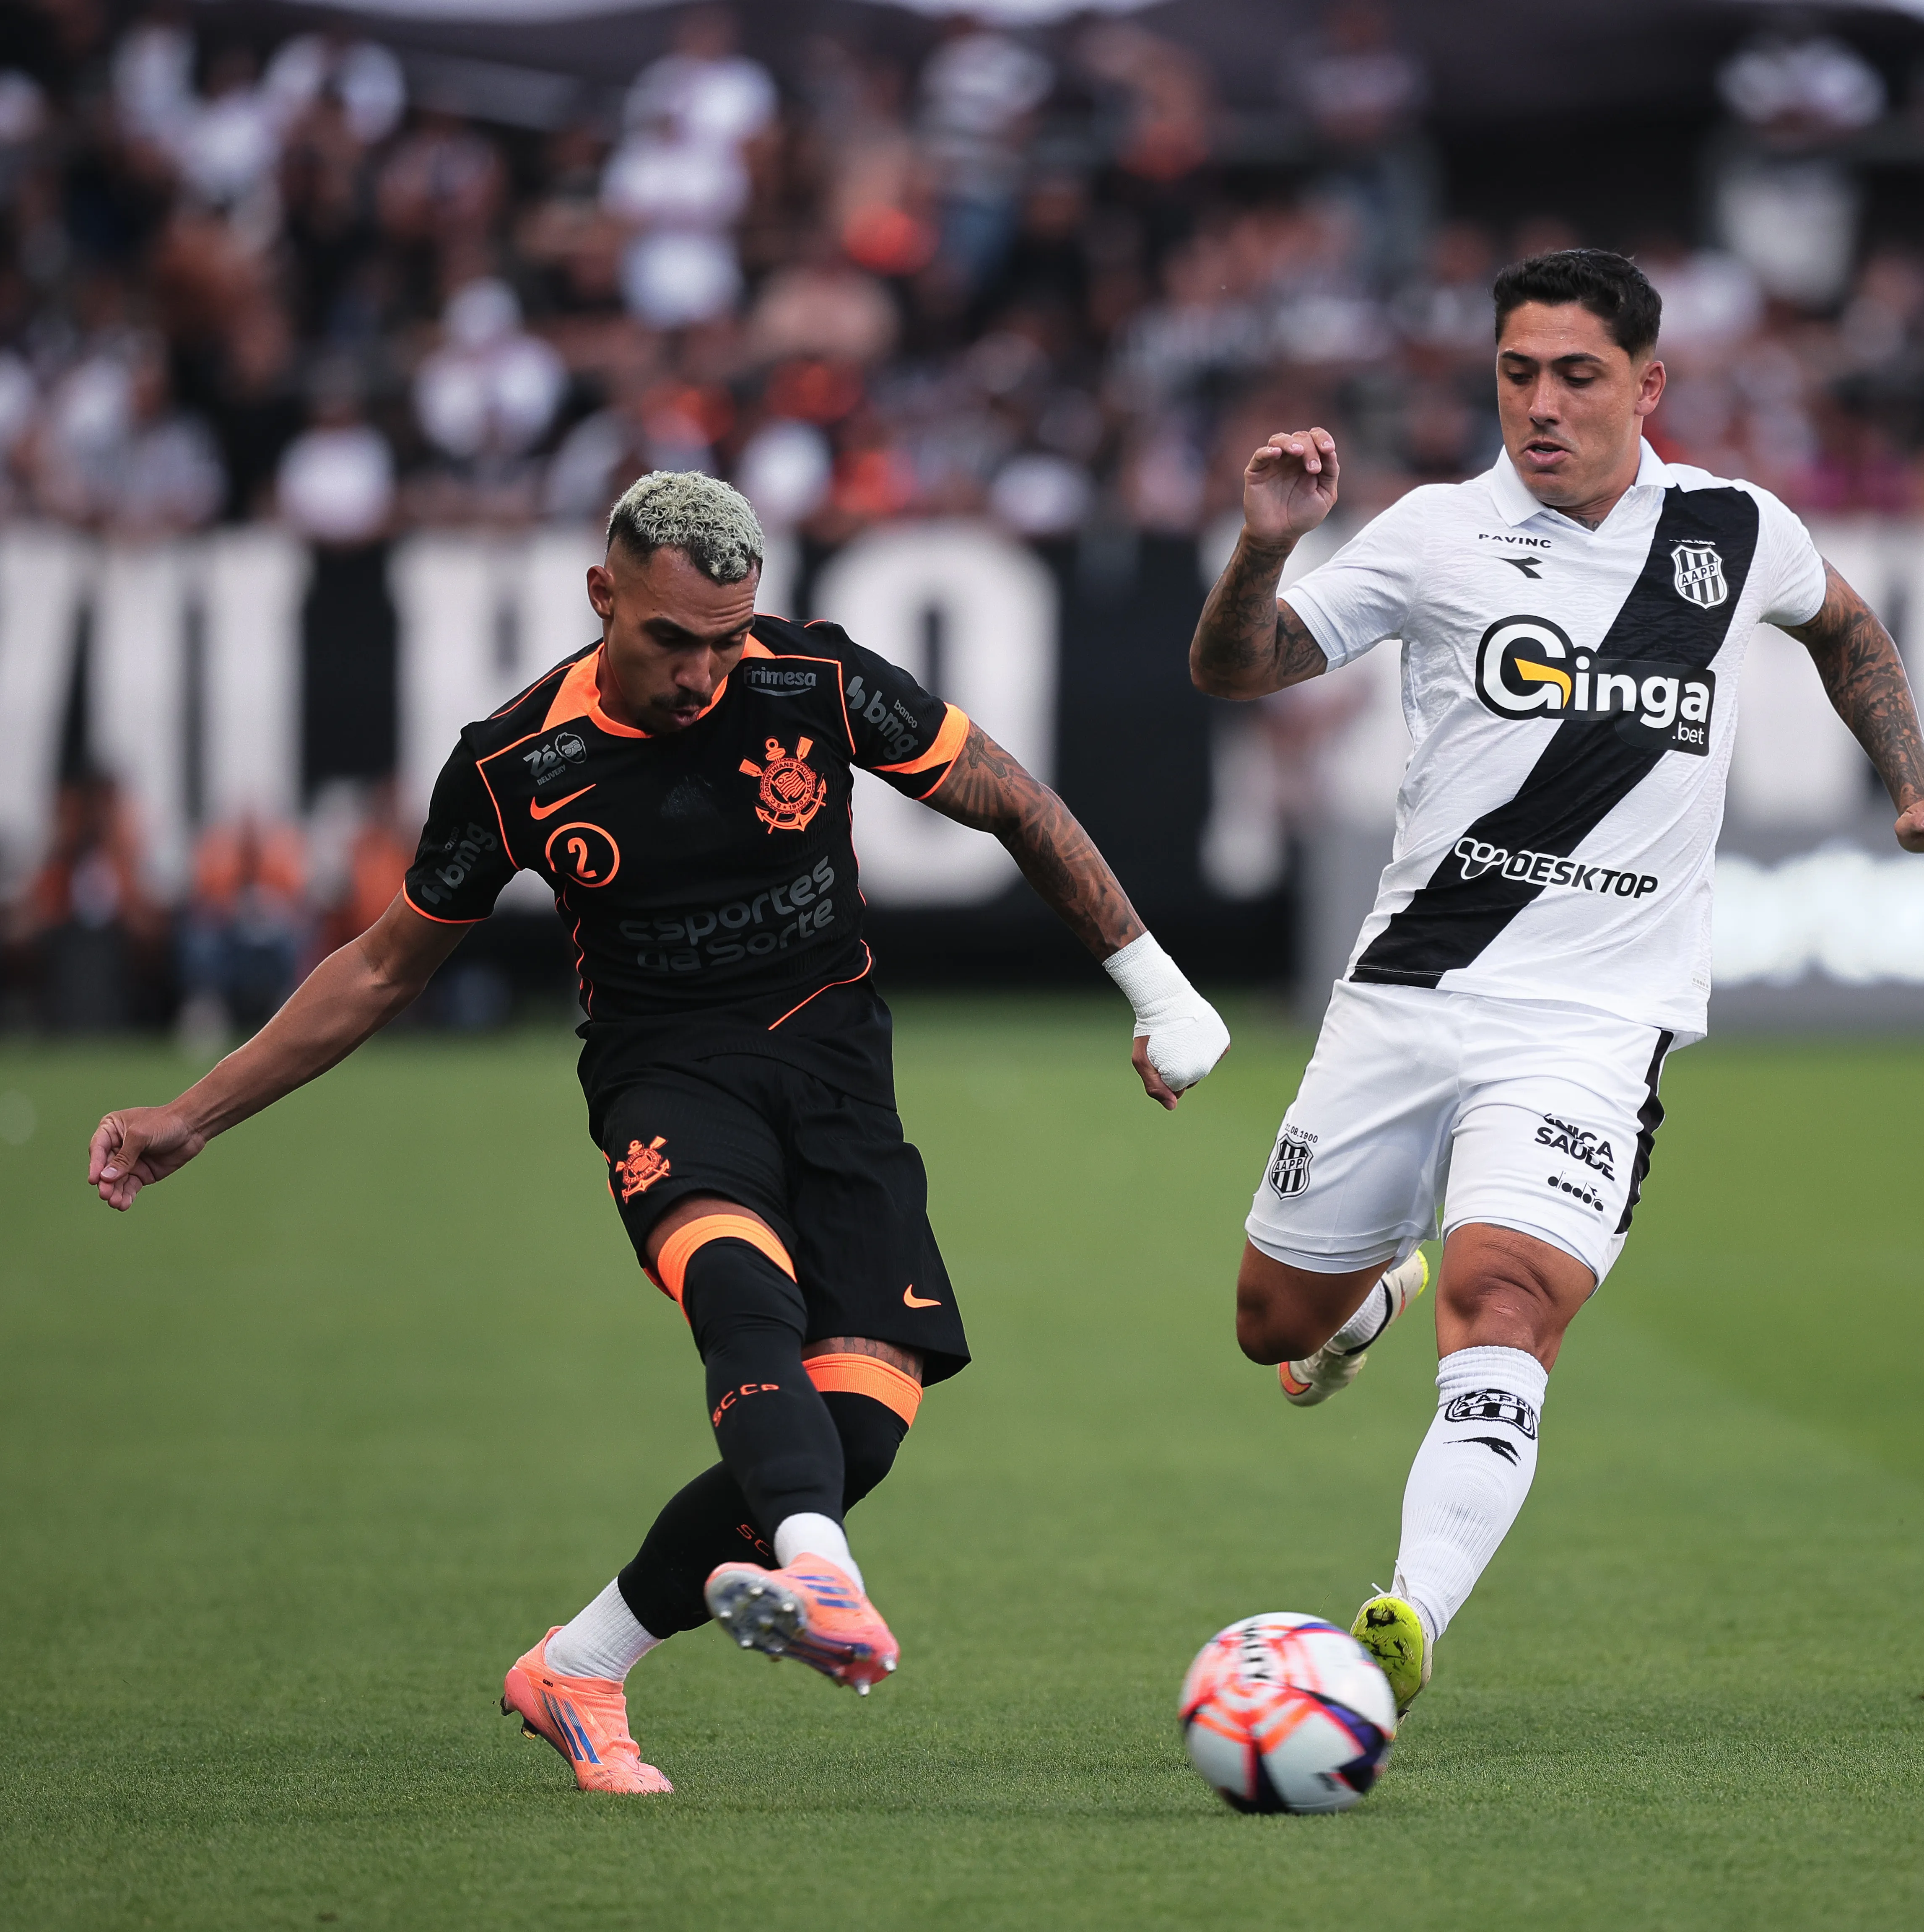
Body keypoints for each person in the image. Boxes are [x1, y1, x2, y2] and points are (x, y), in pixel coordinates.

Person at [83, 472, 1229, 1792]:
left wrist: (1157, 990)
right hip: (666, 1079)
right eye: (670, 639)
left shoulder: (813, 682)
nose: (702, 674)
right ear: (601, 595)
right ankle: (824, 1580)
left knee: (854, 1433)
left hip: (838, 1073)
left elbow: (1012, 801)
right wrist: (194, 1114)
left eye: (727, 640)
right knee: (739, 1291)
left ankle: (578, 1667)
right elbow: (382, 969)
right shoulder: (516, 764)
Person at [1189, 249, 1924, 1717]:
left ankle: (1403, 1620)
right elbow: (1237, 671)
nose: (1541, 406)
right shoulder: (1437, 533)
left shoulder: (1730, 531)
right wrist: (1262, 547)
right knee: (1270, 1328)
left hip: (1592, 1022)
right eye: (1515, 374)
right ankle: (1367, 1291)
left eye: (1575, 375)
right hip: (1410, 993)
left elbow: (1844, 627)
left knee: (1505, 1302)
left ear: (1648, 386)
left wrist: (1916, 784)